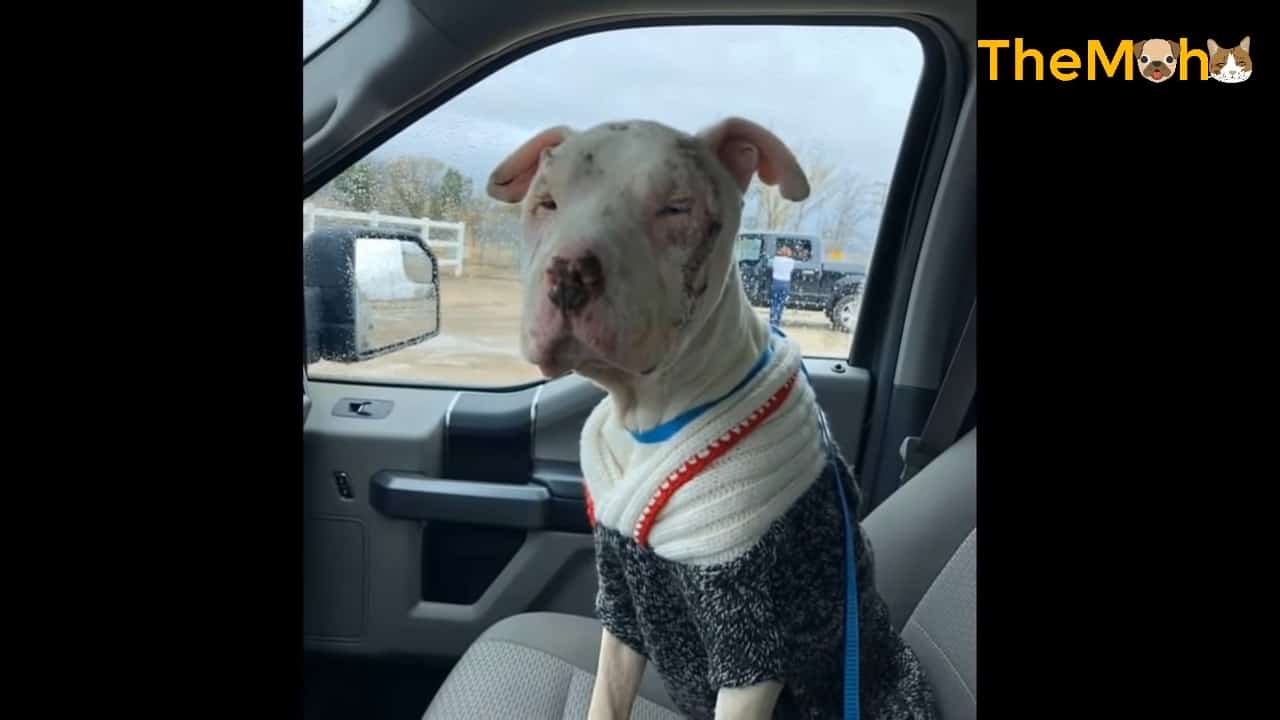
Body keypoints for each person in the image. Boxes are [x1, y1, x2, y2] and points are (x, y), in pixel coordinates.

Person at [769, 245, 794, 327]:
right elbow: (791, 270)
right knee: (781, 303)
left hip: (776, 282)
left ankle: (772, 320)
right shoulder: (791, 261)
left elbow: (773, 268)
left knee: (774, 302)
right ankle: (777, 320)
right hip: (786, 283)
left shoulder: (775, 260)